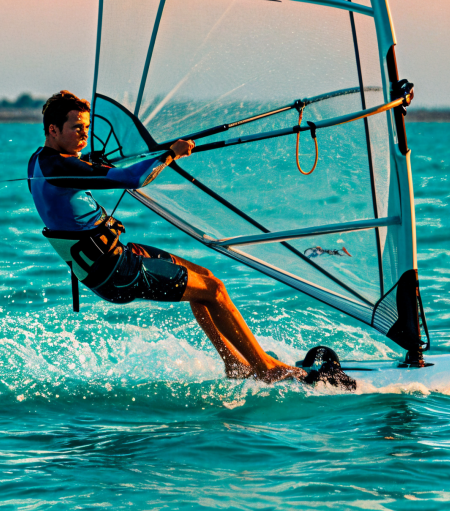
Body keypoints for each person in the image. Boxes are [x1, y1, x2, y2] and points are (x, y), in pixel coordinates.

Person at [28, 91, 310, 382]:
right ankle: (266, 367)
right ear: (53, 129)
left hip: (111, 261)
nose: (84, 134)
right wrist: (171, 154)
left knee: (205, 276)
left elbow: (75, 178)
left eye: (87, 127)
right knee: (213, 291)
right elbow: (133, 179)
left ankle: (236, 364)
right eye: (77, 128)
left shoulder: (39, 161)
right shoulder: (62, 168)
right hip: (116, 272)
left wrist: (94, 163)